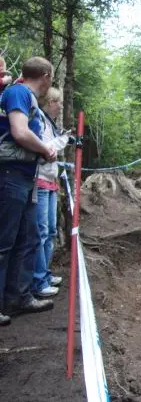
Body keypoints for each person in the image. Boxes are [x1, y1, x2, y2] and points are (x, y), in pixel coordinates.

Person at [0, 56, 56, 326]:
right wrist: (45, 149)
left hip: (25, 175)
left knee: (27, 237)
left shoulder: (24, 95)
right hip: (10, 175)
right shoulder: (18, 92)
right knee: (5, 242)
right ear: (45, 74)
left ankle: (18, 296)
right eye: (51, 76)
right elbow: (20, 132)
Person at [32, 87, 67, 298]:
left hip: (51, 180)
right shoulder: (39, 121)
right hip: (40, 179)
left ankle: (44, 274)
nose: (61, 106)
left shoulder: (49, 124)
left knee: (51, 230)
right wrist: (63, 140)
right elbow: (44, 149)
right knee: (41, 232)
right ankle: (38, 280)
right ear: (50, 102)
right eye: (59, 102)